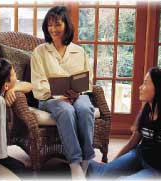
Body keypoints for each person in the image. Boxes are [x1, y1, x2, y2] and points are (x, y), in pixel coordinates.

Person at [86, 67, 161, 180]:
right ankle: (74, 162)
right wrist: (111, 167)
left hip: (159, 170)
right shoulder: (146, 109)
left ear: (160, 89)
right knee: (101, 173)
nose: (140, 87)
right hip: (140, 155)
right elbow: (132, 143)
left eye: (145, 83)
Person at [31, 6, 95, 179]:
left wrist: (78, 92)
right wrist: (59, 96)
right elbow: (38, 83)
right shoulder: (39, 52)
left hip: (77, 96)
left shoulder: (79, 51)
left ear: (66, 25)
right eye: (50, 25)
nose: (53, 29)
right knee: (66, 110)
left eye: (57, 24)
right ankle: (74, 163)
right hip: (49, 99)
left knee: (85, 109)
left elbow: (88, 81)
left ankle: (86, 160)